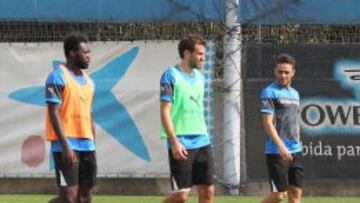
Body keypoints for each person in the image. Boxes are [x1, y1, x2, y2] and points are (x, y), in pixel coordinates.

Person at [160, 34, 214, 203]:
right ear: (186, 53)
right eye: (199, 54)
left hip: (202, 141)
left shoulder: (200, 78)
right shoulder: (170, 75)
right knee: (181, 195)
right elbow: (165, 111)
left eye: (203, 54)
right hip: (181, 141)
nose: (203, 58)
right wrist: (174, 141)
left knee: (207, 192)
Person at [45, 33, 96, 203]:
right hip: (65, 145)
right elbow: (54, 112)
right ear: (72, 53)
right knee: (68, 198)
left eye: (89, 52)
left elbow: (89, 114)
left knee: (85, 197)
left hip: (87, 145)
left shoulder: (89, 81)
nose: (89, 56)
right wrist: (65, 146)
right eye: (85, 52)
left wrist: (93, 143)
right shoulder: (57, 77)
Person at [259, 53, 304, 203]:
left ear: (293, 73)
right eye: (280, 72)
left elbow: (293, 122)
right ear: (275, 71)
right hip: (276, 151)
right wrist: (281, 147)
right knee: (279, 195)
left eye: (286, 72)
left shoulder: (295, 94)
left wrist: (296, 144)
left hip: (295, 150)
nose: (283, 75)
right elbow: (267, 123)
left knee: (296, 194)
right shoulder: (269, 92)